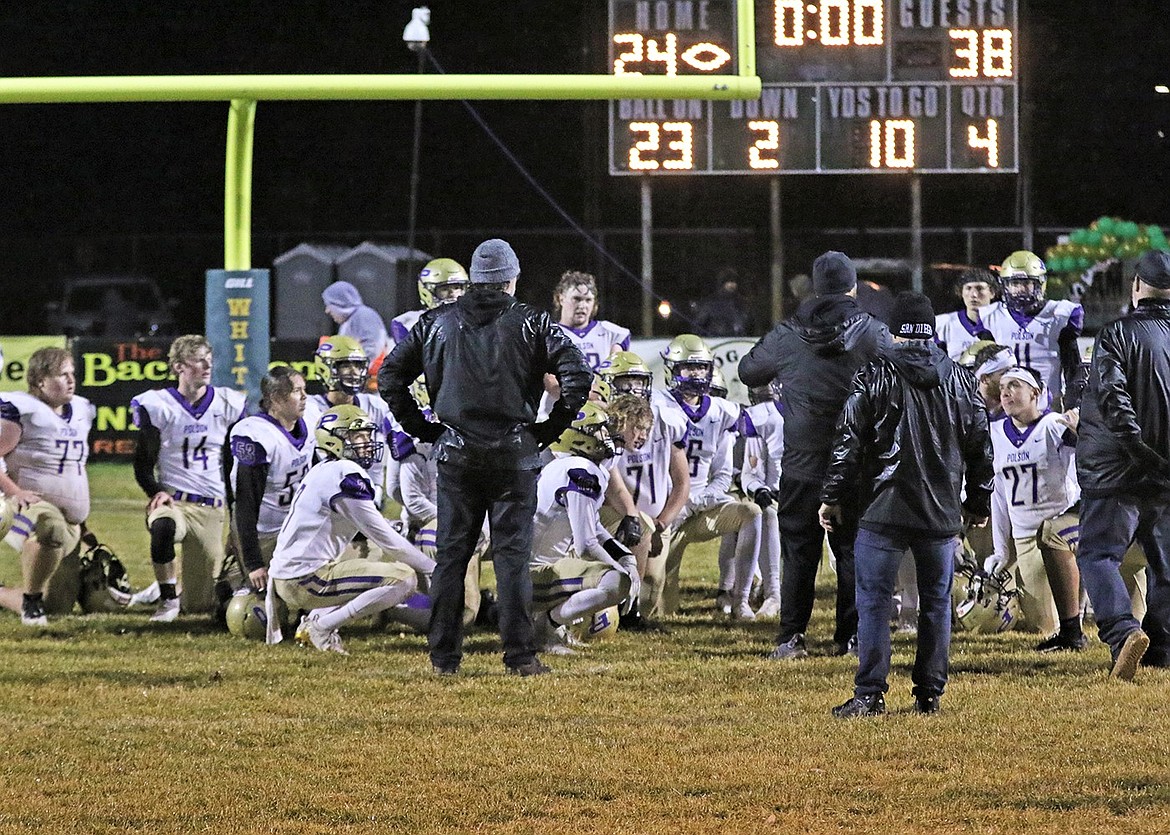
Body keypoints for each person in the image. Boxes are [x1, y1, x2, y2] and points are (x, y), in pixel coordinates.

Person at [379, 238, 593, 677]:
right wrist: (550, 429)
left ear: (474, 279)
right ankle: (520, 656)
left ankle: (444, 658)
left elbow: (389, 376)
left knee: (451, 559)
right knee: (512, 559)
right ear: (512, 280)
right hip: (515, 457)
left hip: (456, 456)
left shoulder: (435, 321)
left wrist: (424, 429)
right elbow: (578, 371)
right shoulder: (531, 321)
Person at [822, 292, 993, 717]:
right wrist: (976, 499)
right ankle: (930, 694)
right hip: (940, 510)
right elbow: (980, 447)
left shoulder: (874, 374)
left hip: (884, 508)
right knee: (937, 603)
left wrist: (832, 498)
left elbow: (848, 445)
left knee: (875, 602)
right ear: (931, 329)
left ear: (894, 330)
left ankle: (870, 693)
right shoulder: (960, 378)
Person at [739, 250, 891, 659]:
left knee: (799, 549)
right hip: (857, 460)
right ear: (853, 287)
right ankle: (851, 637)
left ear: (814, 288)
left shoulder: (788, 333)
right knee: (854, 548)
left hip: (802, 461)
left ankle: (791, 637)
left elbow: (748, 370)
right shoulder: (874, 333)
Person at [267, 404, 434, 655]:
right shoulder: (344, 473)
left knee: (380, 569)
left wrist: (390, 527)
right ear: (334, 440)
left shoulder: (327, 470)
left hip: (293, 574)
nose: (366, 442)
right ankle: (322, 625)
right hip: (305, 578)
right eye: (358, 436)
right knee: (403, 579)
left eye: (367, 435)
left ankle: (317, 620)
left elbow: (365, 526)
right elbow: (386, 540)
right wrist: (432, 567)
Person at [1076, 250, 1170, 679]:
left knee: (1097, 554)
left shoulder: (1116, 334)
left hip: (1119, 471)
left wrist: (1138, 449)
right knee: (1164, 562)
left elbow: (1114, 400)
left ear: (1136, 287)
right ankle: (1162, 648)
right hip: (1165, 474)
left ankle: (1122, 631)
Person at [130, 335, 246, 621]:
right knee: (163, 525)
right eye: (198, 360)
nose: (207, 365)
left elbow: (234, 464)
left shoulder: (228, 403)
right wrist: (155, 491)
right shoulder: (159, 405)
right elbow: (142, 463)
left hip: (211, 506)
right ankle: (168, 598)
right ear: (179, 366)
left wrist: (235, 513)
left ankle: (177, 591)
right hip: (175, 501)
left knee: (198, 606)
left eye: (209, 358)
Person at [653, 335, 759, 620]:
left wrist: (696, 501)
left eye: (701, 367)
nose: (697, 374)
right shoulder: (658, 406)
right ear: (672, 369)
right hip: (666, 510)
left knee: (751, 513)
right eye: (689, 367)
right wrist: (676, 505)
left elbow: (723, 475)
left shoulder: (721, 411)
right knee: (659, 607)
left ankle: (740, 600)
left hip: (700, 507)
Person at [984, 367, 1085, 648]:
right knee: (1042, 626)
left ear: (1035, 393)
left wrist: (1080, 429)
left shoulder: (1053, 425)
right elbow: (999, 494)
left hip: (1064, 531)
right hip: (1025, 536)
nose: (1006, 392)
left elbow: (1090, 459)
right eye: (1003, 387)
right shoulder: (994, 433)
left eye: (1015, 385)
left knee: (1074, 609)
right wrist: (1001, 550)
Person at [530, 401, 640, 654]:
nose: (607, 436)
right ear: (580, 438)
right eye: (599, 430)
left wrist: (625, 556)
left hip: (530, 572)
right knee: (615, 582)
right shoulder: (580, 471)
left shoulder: (566, 467)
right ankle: (547, 626)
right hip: (536, 575)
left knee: (617, 572)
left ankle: (548, 624)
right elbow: (586, 544)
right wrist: (620, 570)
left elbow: (595, 526)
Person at [0, 347, 95, 626]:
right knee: (50, 525)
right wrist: (15, 492)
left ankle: (11, 596)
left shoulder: (81, 409)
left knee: (56, 607)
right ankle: (30, 601)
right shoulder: (22, 409)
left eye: (72, 373)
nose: (70, 380)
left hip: (72, 519)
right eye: (62, 374)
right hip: (29, 508)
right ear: (40, 380)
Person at [601, 360, 691, 623]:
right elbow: (612, 487)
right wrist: (639, 521)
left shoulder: (667, 419)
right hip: (612, 514)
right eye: (624, 383)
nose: (632, 390)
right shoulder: (601, 424)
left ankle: (628, 613)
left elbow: (682, 483)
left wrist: (661, 523)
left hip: (655, 519)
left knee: (650, 590)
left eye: (638, 383)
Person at [227, 367, 315, 595]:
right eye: (297, 391)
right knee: (267, 605)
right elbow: (245, 504)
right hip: (265, 533)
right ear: (276, 398)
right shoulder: (257, 435)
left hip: (299, 527)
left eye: (304, 390)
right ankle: (233, 582)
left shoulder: (311, 420)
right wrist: (254, 563)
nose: (305, 397)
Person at [978, 251, 1084, 409]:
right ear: (1005, 286)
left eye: (1026, 284)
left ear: (1040, 284)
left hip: (1047, 404)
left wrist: (1073, 404)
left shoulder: (1058, 314)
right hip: (1005, 405)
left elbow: (1073, 368)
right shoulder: (991, 316)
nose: (1020, 289)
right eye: (1015, 284)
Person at [740, 382, 784, 619]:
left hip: (816, 493)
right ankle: (773, 592)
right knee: (767, 514)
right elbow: (750, 472)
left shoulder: (816, 408)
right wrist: (759, 489)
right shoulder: (761, 417)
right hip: (780, 496)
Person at [322, 281, 392, 387]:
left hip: (371, 386)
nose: (327, 311)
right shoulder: (350, 321)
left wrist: (353, 371)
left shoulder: (363, 316)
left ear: (339, 303)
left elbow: (373, 348)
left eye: (329, 305)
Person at [389, 258, 469, 347]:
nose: (453, 294)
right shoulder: (409, 323)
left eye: (457, 288)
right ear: (426, 291)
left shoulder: (475, 320)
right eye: (444, 289)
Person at [935, 268, 996, 361]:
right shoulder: (944, 324)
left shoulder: (1003, 322)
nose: (974, 294)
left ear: (992, 292)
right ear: (961, 292)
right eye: (968, 288)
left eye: (979, 288)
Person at [693, 268, 753, 337]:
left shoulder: (742, 304)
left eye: (734, 282)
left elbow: (750, 326)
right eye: (728, 282)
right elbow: (698, 326)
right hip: (716, 343)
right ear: (722, 284)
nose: (732, 285)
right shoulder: (711, 303)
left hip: (740, 342)